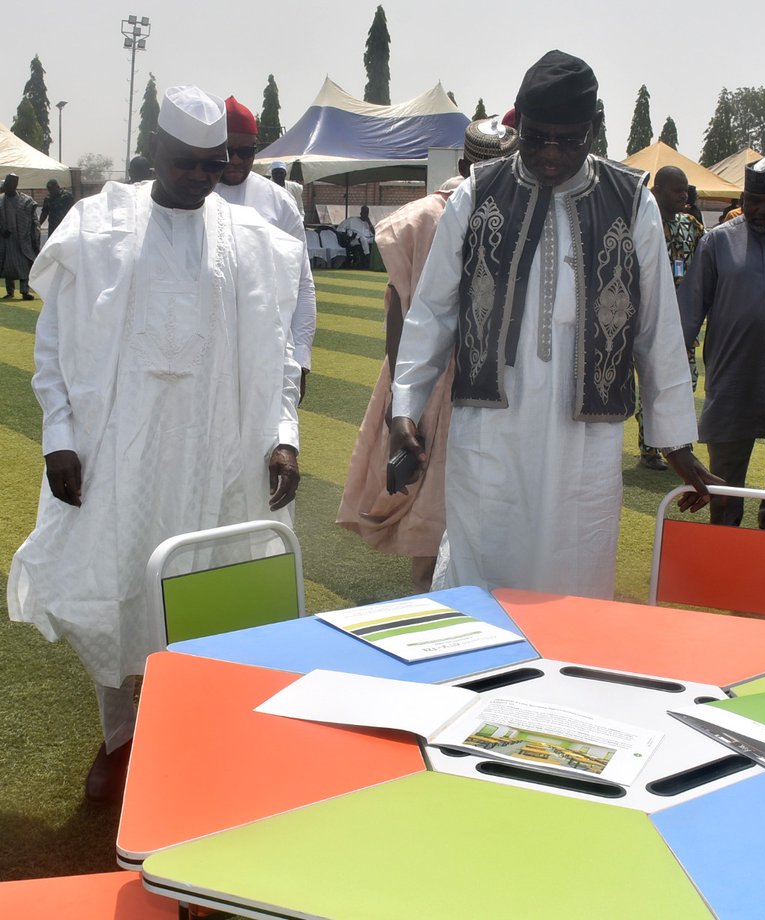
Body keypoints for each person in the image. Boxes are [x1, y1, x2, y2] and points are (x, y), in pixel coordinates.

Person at [7, 85, 305, 802]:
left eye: (215, 164)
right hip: (122, 451)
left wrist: (283, 439)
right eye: (187, 165)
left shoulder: (250, 241)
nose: (203, 178)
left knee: (208, 590)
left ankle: (199, 732)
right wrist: (60, 437)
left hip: (216, 451)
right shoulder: (100, 224)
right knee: (119, 592)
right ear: (154, 156)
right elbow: (54, 346)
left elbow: (278, 355)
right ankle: (121, 741)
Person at [389, 49, 717, 599]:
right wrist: (404, 409)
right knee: (484, 565)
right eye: (538, 136)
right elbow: (433, 311)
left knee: (576, 571)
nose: (549, 153)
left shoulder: (630, 199)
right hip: (491, 426)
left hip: (585, 434)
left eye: (568, 140)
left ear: (593, 129)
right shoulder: (478, 192)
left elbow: (657, 326)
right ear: (520, 123)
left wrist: (675, 441)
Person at [337, 117, 518, 594]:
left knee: (461, 506)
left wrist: (405, 395)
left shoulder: (508, 216)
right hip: (442, 376)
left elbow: (397, 311)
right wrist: (407, 397)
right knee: (436, 506)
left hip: (460, 377)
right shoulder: (428, 217)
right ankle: (434, 612)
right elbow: (399, 306)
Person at [679, 157, 765, 529]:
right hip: (733, 376)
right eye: (755, 200)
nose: (763, 209)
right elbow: (690, 309)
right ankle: (725, 537)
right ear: (744, 196)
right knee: (725, 476)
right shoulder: (716, 242)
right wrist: (675, 361)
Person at [215, 96, 317, 399]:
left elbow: (302, 284)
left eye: (245, 152)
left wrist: (301, 358)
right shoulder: (194, 197)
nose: (235, 159)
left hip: (266, 348)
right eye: (226, 150)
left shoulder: (279, 202)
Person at [636, 165, 703, 470]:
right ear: (657, 191)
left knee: (685, 380)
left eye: (686, 190)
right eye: (677, 190)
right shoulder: (640, 223)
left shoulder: (691, 226)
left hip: (682, 322)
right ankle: (649, 447)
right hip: (643, 319)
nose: (683, 196)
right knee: (646, 382)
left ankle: (675, 443)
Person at [1, 173, 39, 300]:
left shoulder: (26, 201)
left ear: (16, 185)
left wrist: (35, 238)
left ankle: (24, 291)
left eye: (11, 184)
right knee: (7, 266)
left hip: (23, 239)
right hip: (6, 239)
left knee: (24, 265)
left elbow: (34, 222)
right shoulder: (1, 200)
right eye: (6, 184)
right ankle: (10, 291)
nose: (7, 187)